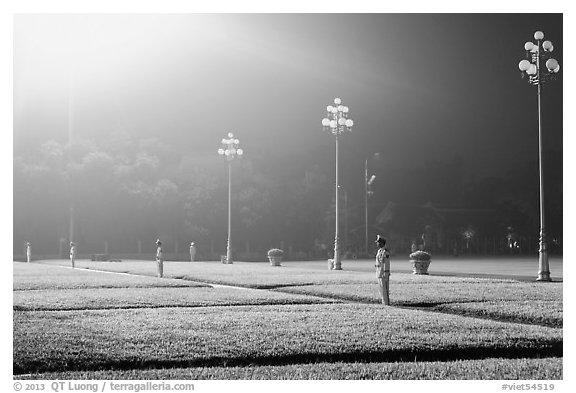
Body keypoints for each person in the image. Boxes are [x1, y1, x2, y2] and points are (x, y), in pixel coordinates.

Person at [374, 235, 390, 305]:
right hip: (379, 272)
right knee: (381, 288)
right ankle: (383, 302)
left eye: (378, 242)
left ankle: (386, 303)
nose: (377, 244)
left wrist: (385, 272)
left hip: (383, 273)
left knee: (384, 289)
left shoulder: (385, 252)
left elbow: (386, 263)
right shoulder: (379, 251)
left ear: (382, 243)